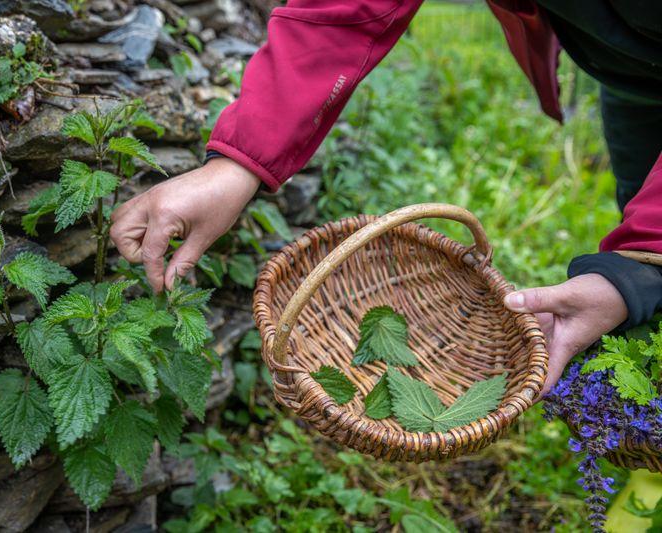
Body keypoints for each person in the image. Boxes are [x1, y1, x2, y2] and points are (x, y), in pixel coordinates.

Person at [109, 0, 662, 395]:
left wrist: (641, 262)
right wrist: (238, 161)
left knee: (641, 276)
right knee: (640, 290)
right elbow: (345, 13)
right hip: (633, 74)